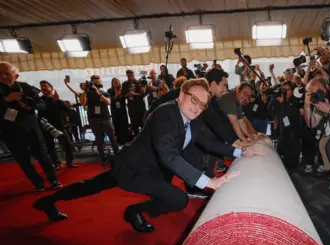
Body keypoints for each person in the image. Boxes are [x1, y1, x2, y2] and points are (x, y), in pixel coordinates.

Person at [33, 79, 264, 233]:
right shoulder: (165, 113)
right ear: (181, 94)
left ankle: (135, 212)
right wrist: (209, 181)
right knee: (89, 187)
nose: (197, 107)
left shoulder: (194, 120)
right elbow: (169, 156)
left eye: (202, 105)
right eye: (194, 99)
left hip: (154, 172)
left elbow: (208, 142)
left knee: (175, 198)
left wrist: (240, 151)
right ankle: (49, 201)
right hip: (132, 168)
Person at [0, 62, 62, 191]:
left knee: (42, 154)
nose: (3, 76)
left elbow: (42, 105)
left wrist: (30, 105)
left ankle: (53, 179)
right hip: (9, 130)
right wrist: (5, 100)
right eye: (0, 74)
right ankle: (37, 183)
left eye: (7, 73)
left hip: (31, 127)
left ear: (15, 76)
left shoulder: (25, 87)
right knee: (23, 159)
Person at [80, 75, 120, 164]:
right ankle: (103, 158)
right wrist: (85, 91)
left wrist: (98, 93)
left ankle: (118, 156)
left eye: (98, 81)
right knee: (99, 139)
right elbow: (82, 103)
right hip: (94, 119)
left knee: (112, 138)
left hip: (105, 118)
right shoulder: (88, 93)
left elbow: (108, 102)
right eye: (95, 82)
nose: (97, 83)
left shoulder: (103, 92)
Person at [38, 81, 77, 170]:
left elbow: (67, 109)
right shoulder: (40, 101)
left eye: (45, 86)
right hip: (46, 127)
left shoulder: (58, 100)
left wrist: (58, 101)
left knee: (67, 144)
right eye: (42, 87)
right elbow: (40, 113)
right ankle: (56, 164)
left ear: (51, 88)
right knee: (50, 147)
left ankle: (69, 162)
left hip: (59, 126)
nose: (43, 88)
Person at [108, 78, 131, 145]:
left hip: (122, 110)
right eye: (115, 82)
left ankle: (125, 140)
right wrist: (115, 90)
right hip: (115, 111)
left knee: (124, 124)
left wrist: (121, 91)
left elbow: (122, 98)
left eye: (117, 82)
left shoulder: (122, 90)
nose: (117, 83)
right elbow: (113, 99)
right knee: (117, 125)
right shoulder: (110, 90)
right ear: (112, 83)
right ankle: (119, 141)